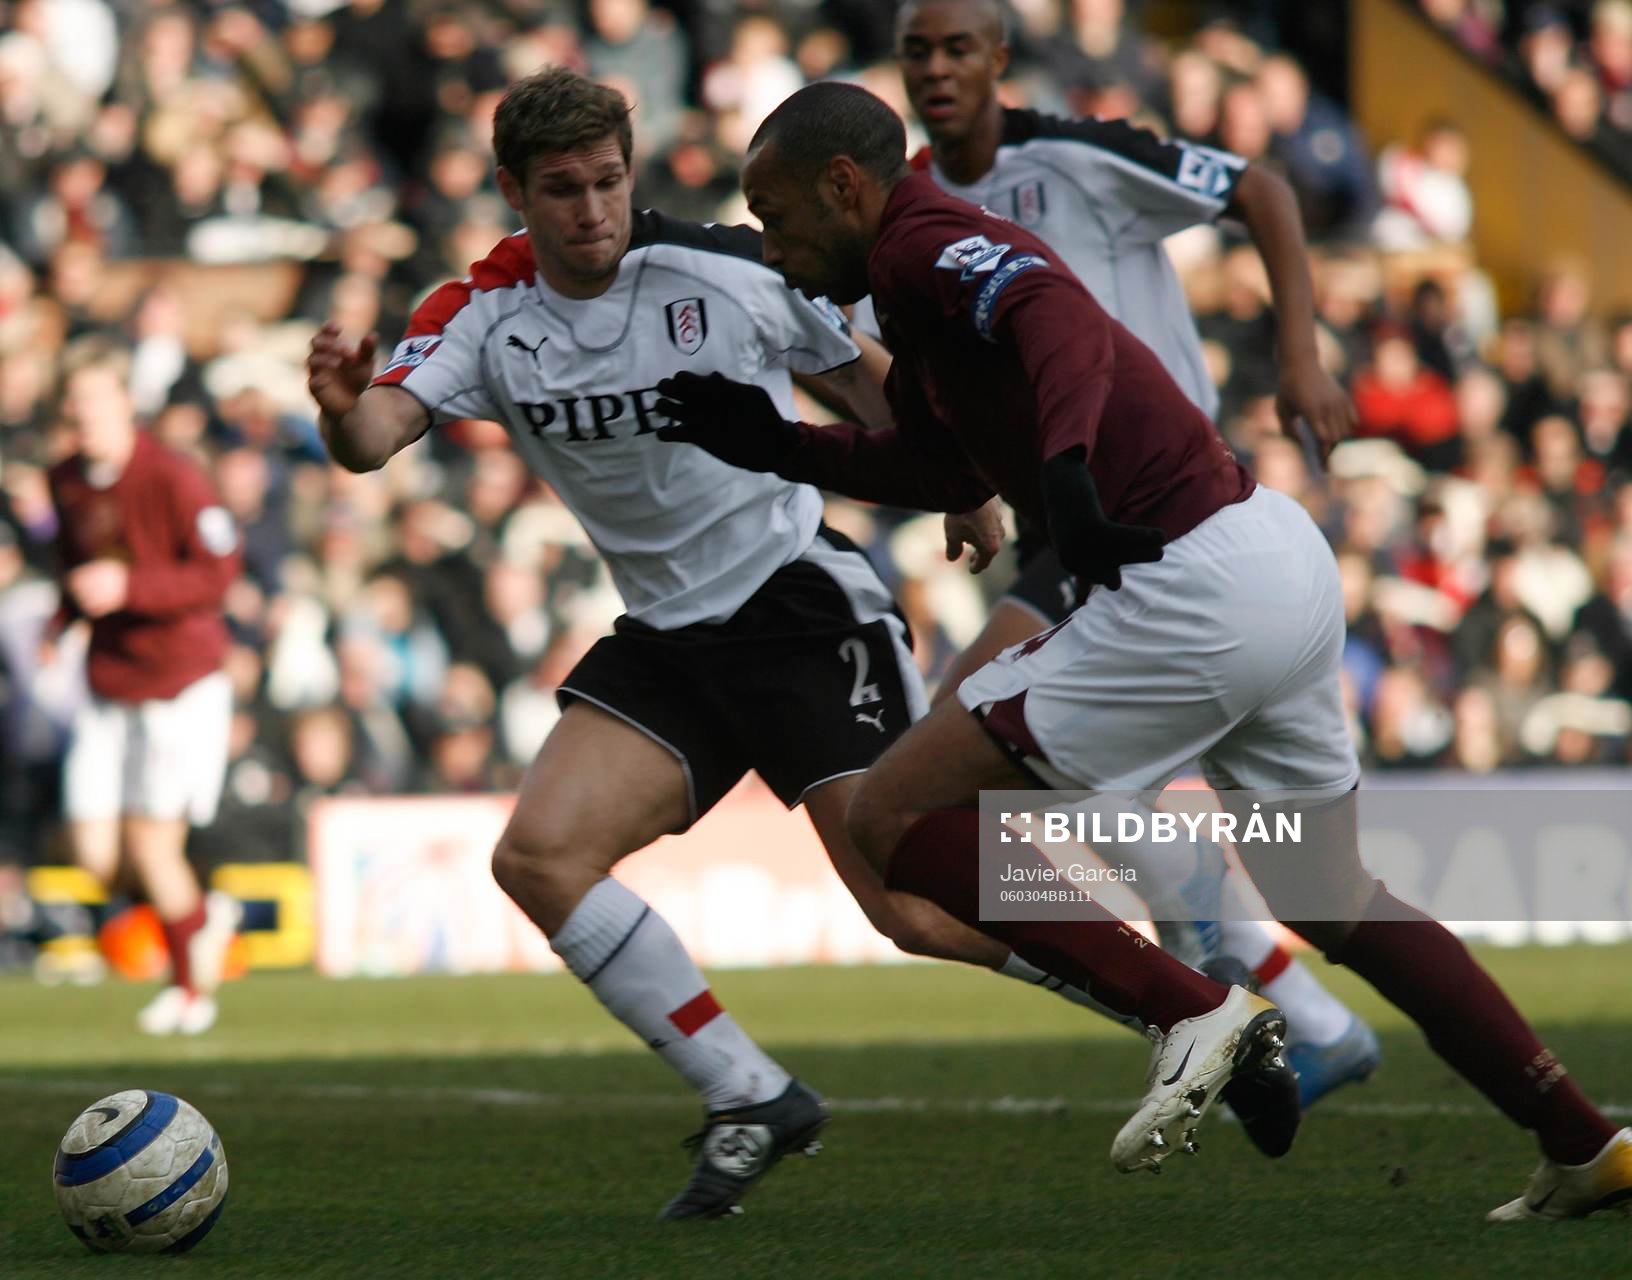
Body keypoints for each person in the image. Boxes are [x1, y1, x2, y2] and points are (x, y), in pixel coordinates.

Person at [305, 67, 1279, 1220]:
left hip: (798, 609)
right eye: (562, 189)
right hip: (668, 638)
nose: (593, 209)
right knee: (539, 857)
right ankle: (751, 1094)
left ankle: (1187, 1003)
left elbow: (865, 376)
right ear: (514, 191)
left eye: (609, 180)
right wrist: (340, 404)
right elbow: (375, 434)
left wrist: (961, 484)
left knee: (912, 905)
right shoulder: (481, 313)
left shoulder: (721, 268)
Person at [652, 81, 1632, 1217]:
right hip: (1272, 557)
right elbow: (939, 467)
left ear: (842, 186)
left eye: (775, 218)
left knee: (891, 816)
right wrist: (775, 443)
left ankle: (1194, 1008)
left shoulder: (921, 243)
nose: (772, 246)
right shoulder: (910, 283)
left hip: (1189, 590)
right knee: (1329, 894)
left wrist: (1068, 467)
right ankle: (1584, 1142)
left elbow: (1054, 314)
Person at [890, 0, 1377, 1107]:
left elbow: (1260, 187)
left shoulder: (1077, 158)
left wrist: (1301, 356)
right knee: (1019, 773)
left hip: (1157, 506)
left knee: (962, 752)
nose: (936, 69)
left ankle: (1227, 985)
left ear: (1000, 58)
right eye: (917, 50)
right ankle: (1290, 1009)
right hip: (1062, 521)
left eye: (958, 47)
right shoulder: (914, 203)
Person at [44, 338, 242, 1036]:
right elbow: (75, 564)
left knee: (154, 845)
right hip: (109, 679)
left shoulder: (173, 476)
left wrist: (131, 586)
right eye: (75, 402)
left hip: (177, 683)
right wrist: (62, 620)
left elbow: (218, 572)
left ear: (125, 401)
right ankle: (199, 914)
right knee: (94, 853)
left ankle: (189, 992)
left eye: (96, 399)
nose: (84, 414)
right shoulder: (65, 479)